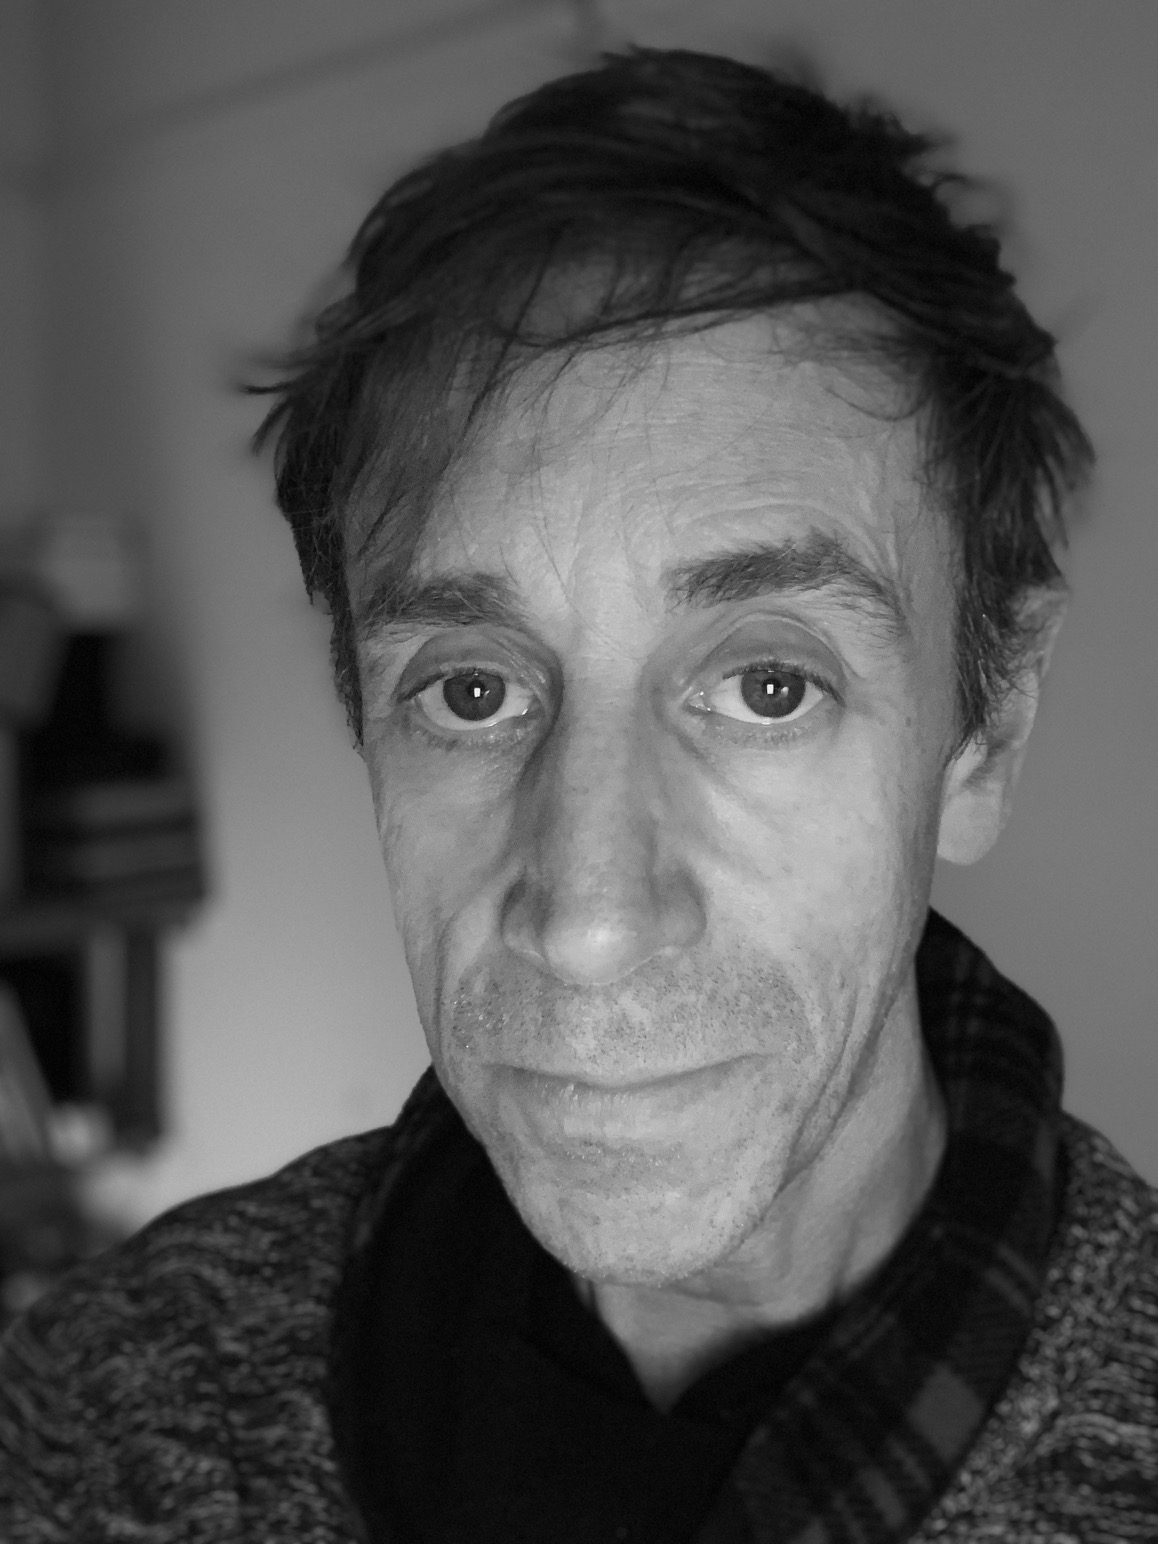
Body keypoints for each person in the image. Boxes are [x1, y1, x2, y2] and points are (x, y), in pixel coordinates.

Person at [1, 46, 1155, 1543]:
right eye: (471, 693)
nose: (590, 921)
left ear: (982, 732)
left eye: (768, 684)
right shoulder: (105, 1408)